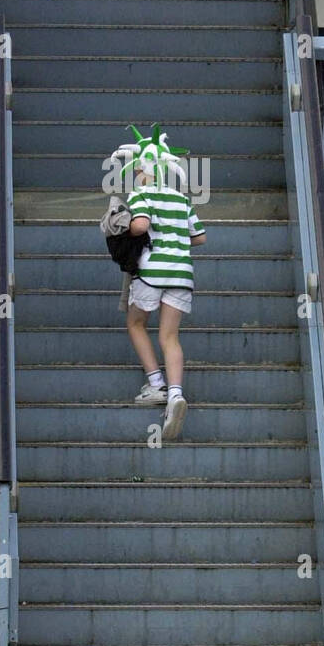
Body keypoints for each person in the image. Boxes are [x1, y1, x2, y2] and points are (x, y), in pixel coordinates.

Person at [125, 148, 206, 443]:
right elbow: (199, 237)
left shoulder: (140, 195)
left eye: (136, 169)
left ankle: (155, 383)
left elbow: (141, 225)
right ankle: (175, 395)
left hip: (150, 273)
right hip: (181, 274)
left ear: (144, 170)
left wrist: (127, 228)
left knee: (136, 323)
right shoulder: (180, 198)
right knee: (170, 336)